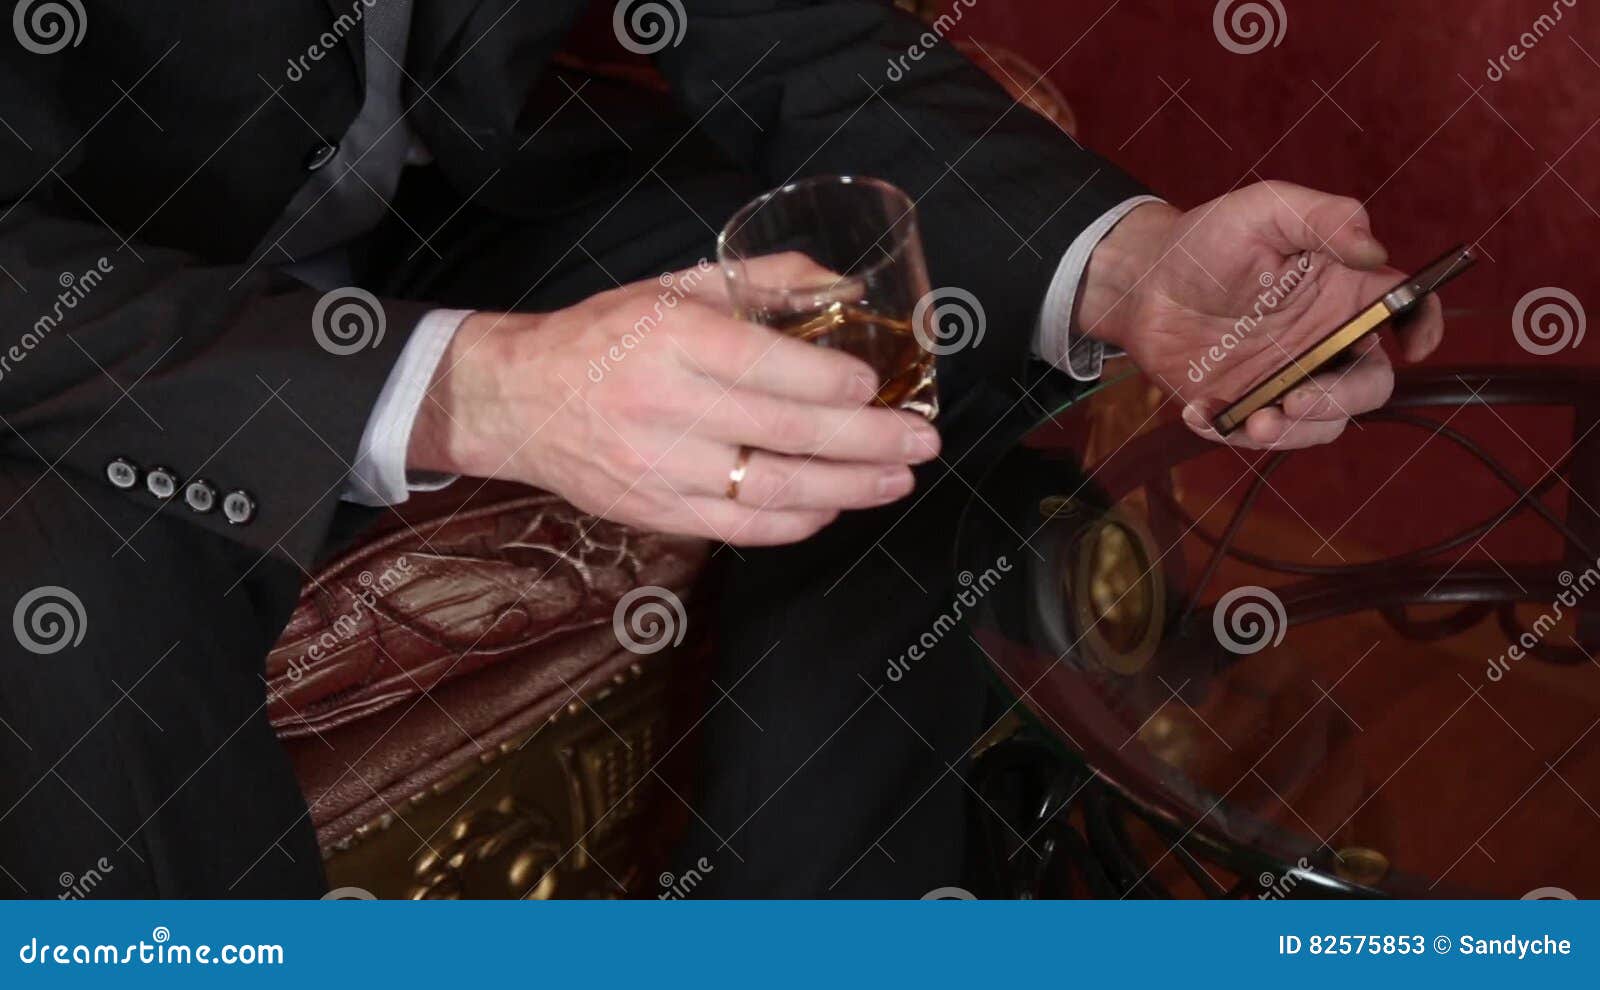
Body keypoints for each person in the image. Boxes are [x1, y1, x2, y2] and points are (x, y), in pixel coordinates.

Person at [0, 0, 1443, 897]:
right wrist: (474, 387)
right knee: (67, 613)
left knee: (869, 292)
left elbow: (773, 24)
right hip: (63, 340)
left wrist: (1136, 269)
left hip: (400, 225)